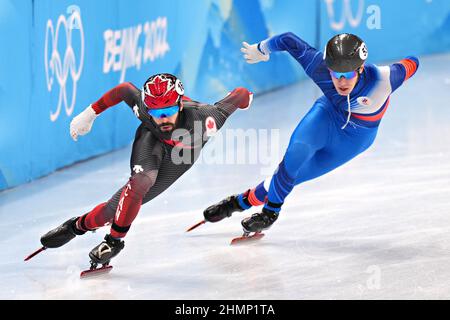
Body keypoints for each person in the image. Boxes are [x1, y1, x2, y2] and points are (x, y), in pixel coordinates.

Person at [202, 33, 419, 236]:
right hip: (327, 116)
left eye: (348, 74)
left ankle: (240, 202)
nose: (341, 82)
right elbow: (288, 40)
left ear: (361, 69)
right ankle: (270, 213)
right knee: (294, 155)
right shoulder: (320, 68)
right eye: (336, 74)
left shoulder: (385, 79)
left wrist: (409, 63)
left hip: (355, 139)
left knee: (292, 177)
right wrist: (262, 49)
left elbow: (412, 62)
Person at [39, 73, 253, 266]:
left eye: (168, 111)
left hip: (181, 157)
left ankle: (78, 226)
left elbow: (239, 95)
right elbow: (124, 89)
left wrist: (246, 99)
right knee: (139, 183)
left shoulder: (207, 117)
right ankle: (112, 241)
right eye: (155, 112)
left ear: (179, 105)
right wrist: (90, 113)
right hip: (150, 141)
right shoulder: (144, 108)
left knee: (112, 211)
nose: (162, 119)